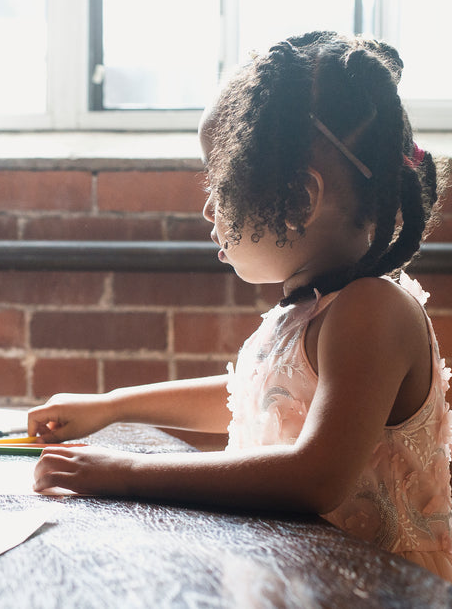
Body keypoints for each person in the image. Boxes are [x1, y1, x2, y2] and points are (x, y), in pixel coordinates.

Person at [27, 31, 452, 580]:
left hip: (384, 590)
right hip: (302, 576)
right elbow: (259, 399)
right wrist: (111, 406)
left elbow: (316, 475)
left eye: (222, 181)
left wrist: (126, 471)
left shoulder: (373, 310)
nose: (210, 208)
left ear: (300, 199)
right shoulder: (311, 310)